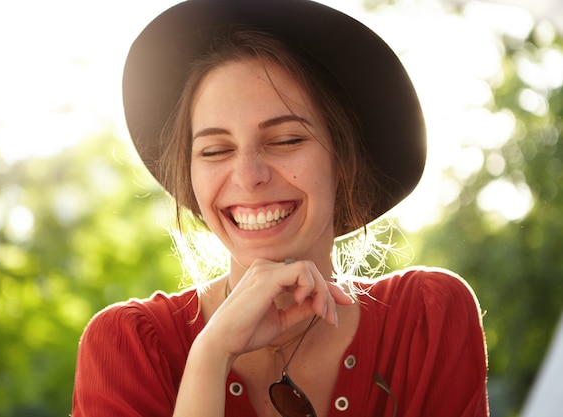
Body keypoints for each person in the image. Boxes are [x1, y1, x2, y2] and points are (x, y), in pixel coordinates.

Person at [71, 0, 489, 416]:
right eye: (216, 150)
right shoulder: (128, 345)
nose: (248, 176)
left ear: (342, 159)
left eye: (286, 140)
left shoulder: (427, 319)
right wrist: (211, 356)